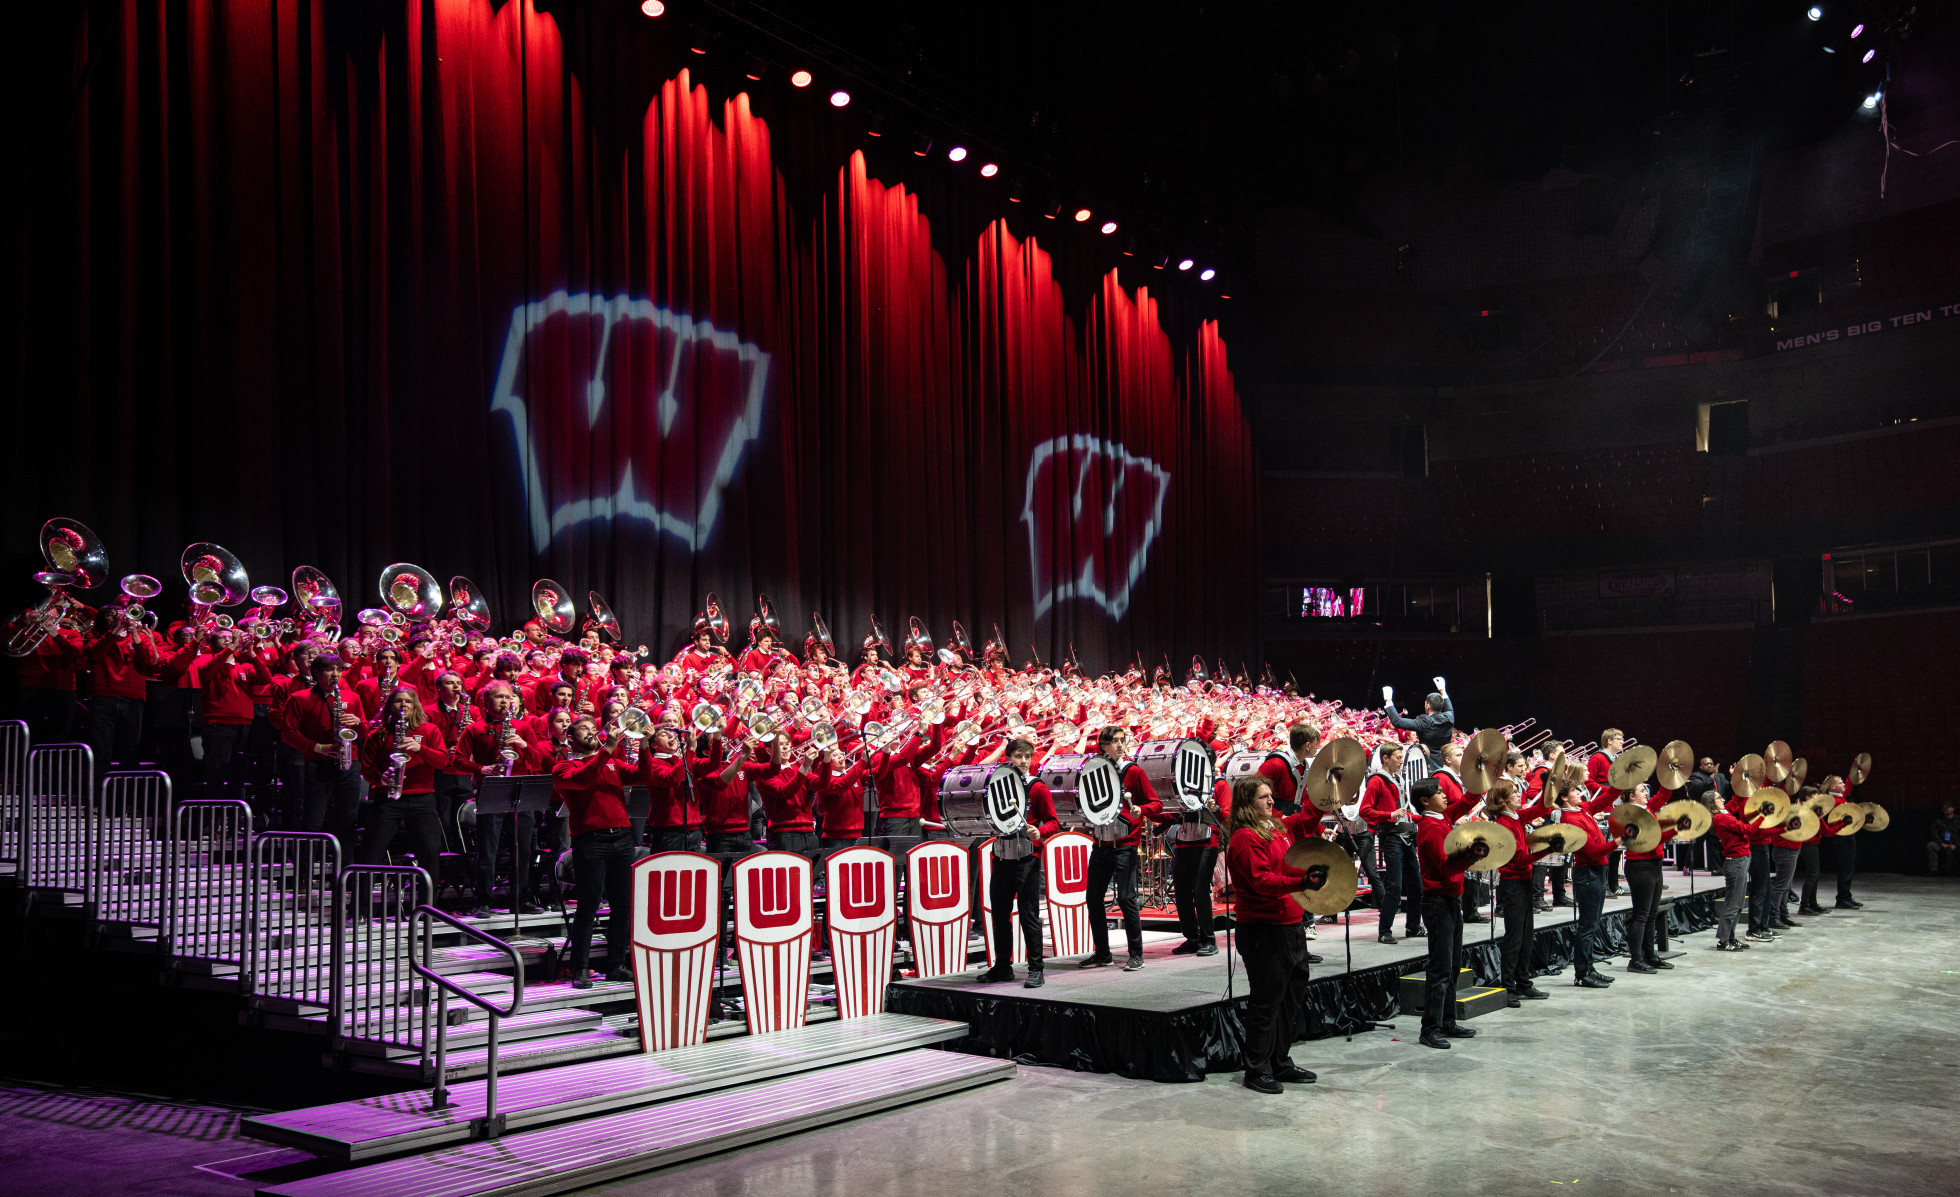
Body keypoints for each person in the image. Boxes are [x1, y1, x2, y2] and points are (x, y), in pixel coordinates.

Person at [1223, 773, 1323, 1095]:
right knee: (1266, 1004)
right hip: (1264, 930)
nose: (1271, 801)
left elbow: (1306, 820)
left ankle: (1280, 1062)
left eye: (1270, 796)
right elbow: (1261, 882)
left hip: (1290, 927)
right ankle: (1256, 1070)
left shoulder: (1276, 828)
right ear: (1247, 803)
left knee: (1290, 1002)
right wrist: (1300, 883)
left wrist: (1328, 789)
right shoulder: (1244, 838)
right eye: (1263, 797)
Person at [553, 716, 638, 989]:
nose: (592, 731)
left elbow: (642, 776)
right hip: (590, 840)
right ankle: (580, 968)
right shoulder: (564, 766)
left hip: (622, 837)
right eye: (584, 729)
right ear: (570, 738)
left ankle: (616, 965)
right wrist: (607, 752)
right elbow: (582, 780)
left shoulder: (610, 760)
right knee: (588, 907)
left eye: (593, 728)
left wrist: (646, 746)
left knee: (623, 906)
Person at [976, 738, 1060, 989]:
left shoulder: (1037, 788)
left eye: (1027, 757)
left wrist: (1040, 831)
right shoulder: (995, 785)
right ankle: (1003, 966)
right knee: (1000, 916)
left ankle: (1036, 968)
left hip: (1027, 859)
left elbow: (1053, 823)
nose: (1024, 762)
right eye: (1018, 757)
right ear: (1008, 758)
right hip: (1001, 857)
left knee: (1029, 915)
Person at [1078, 726, 1163, 971]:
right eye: (1114, 741)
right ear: (1103, 745)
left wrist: (1141, 810)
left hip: (1125, 845)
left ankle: (1136, 954)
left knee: (1127, 898)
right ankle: (1103, 953)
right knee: (1093, 898)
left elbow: (1155, 804)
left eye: (1122, 740)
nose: (1119, 745)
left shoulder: (1133, 770)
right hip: (1101, 843)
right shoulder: (1093, 770)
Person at [1413, 776, 1487, 1048]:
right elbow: (1445, 867)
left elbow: (1466, 801)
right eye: (1440, 793)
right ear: (1425, 800)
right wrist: (1471, 856)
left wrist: (1481, 777)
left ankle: (1447, 1021)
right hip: (1438, 902)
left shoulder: (1441, 818)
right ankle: (1429, 1029)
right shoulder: (1430, 826)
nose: (1446, 796)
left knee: (1452, 966)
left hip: (1450, 900)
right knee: (1440, 968)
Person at [356, 686, 450, 877]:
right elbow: (366, 769)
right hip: (388, 799)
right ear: (390, 705)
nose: (403, 705)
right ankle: (362, 906)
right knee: (371, 852)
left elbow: (442, 761)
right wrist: (381, 779)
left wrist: (419, 748)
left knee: (430, 854)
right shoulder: (378, 734)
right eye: (399, 701)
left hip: (423, 800)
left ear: (415, 705)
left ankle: (428, 906)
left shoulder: (429, 730)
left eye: (408, 701)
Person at [278, 654, 365, 845]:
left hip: (349, 763)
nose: (335, 675)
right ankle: (305, 870)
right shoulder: (299, 698)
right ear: (316, 672)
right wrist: (317, 748)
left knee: (348, 820)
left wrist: (358, 723)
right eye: (329, 670)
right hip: (318, 763)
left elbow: (365, 732)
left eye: (339, 670)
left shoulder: (353, 697)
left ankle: (344, 870)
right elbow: (288, 733)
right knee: (313, 820)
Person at [1485, 779, 1555, 1003]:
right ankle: (1508, 987)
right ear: (1503, 801)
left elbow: (1543, 807)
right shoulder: (1504, 825)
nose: (1519, 794)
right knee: (1514, 938)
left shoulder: (1518, 817)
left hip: (1522, 882)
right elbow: (1521, 859)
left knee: (1526, 936)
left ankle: (1523, 982)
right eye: (1514, 792)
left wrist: (1548, 784)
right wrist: (1547, 850)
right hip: (1512, 884)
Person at [1553, 776, 1616, 987]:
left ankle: (1589, 968)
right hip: (1588, 872)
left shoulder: (1583, 809)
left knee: (1593, 923)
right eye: (1575, 792)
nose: (1580, 794)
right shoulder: (1570, 820)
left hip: (1597, 870)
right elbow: (1593, 850)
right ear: (1564, 798)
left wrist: (1625, 780)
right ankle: (1582, 973)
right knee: (1587, 926)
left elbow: (1609, 796)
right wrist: (1618, 841)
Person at [1360, 742, 1423, 944]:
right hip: (1392, 837)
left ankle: (1413, 926)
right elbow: (1365, 811)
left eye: (1401, 757)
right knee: (1395, 885)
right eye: (1397, 757)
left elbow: (1403, 812)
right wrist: (1389, 814)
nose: (1401, 761)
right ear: (1385, 758)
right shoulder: (1377, 781)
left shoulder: (1398, 779)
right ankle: (1384, 930)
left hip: (1405, 835)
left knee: (1416, 884)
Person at [1620, 782, 1680, 972]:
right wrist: (1676, 829)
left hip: (1654, 864)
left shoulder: (1647, 809)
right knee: (1641, 915)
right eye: (1642, 790)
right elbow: (1652, 839)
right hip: (1640, 866)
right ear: (1631, 796)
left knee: (1651, 914)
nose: (1646, 793)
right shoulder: (1631, 814)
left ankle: (1650, 955)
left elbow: (1664, 794)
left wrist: (1670, 776)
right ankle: (1635, 960)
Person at [1708, 800, 1758, 951]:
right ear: (1712, 803)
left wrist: (1757, 812)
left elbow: (1736, 802)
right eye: (1719, 798)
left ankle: (1730, 937)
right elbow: (1747, 829)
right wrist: (1761, 816)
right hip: (1736, 862)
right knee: (1732, 904)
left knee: (1738, 904)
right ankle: (1723, 941)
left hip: (1740, 860)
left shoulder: (1724, 815)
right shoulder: (1722, 818)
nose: (1723, 800)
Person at [1382, 683, 1454, 769]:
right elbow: (1449, 708)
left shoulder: (1425, 722)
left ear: (1427, 706)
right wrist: (1443, 690)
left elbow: (1397, 721)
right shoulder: (1449, 717)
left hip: (1427, 767)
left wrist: (1388, 701)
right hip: (1446, 766)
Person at [1822, 775, 1862, 909]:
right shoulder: (1833, 801)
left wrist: (1856, 769)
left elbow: (1849, 785)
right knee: (1845, 867)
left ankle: (1846, 896)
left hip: (1847, 835)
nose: (1844, 784)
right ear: (1833, 787)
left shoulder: (1839, 796)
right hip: (1841, 837)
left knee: (1849, 866)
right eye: (1841, 782)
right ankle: (1842, 898)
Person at [1930, 801, 1960, 876]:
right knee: (1930, 846)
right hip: (1942, 844)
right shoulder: (1938, 820)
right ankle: (1933, 870)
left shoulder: (1958, 820)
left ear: (1953, 809)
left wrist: (1955, 844)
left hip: (1956, 844)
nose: (1946, 809)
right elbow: (1934, 833)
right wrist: (1941, 843)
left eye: (1948, 807)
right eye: (1944, 807)